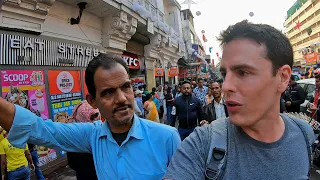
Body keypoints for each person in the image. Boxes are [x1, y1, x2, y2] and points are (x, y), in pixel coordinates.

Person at [164, 20, 314, 180]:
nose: (226, 86)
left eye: (243, 72)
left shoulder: (304, 134)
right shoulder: (202, 144)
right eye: (224, 75)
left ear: (282, 77)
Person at [0, 53, 181, 179]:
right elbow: (37, 128)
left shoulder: (167, 137)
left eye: (126, 87)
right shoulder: (92, 136)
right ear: (92, 101)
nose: (121, 98)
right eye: (108, 92)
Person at [66, 96, 101, 180]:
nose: (94, 121)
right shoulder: (74, 139)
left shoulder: (101, 131)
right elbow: (72, 163)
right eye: (91, 118)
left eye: (95, 116)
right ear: (81, 116)